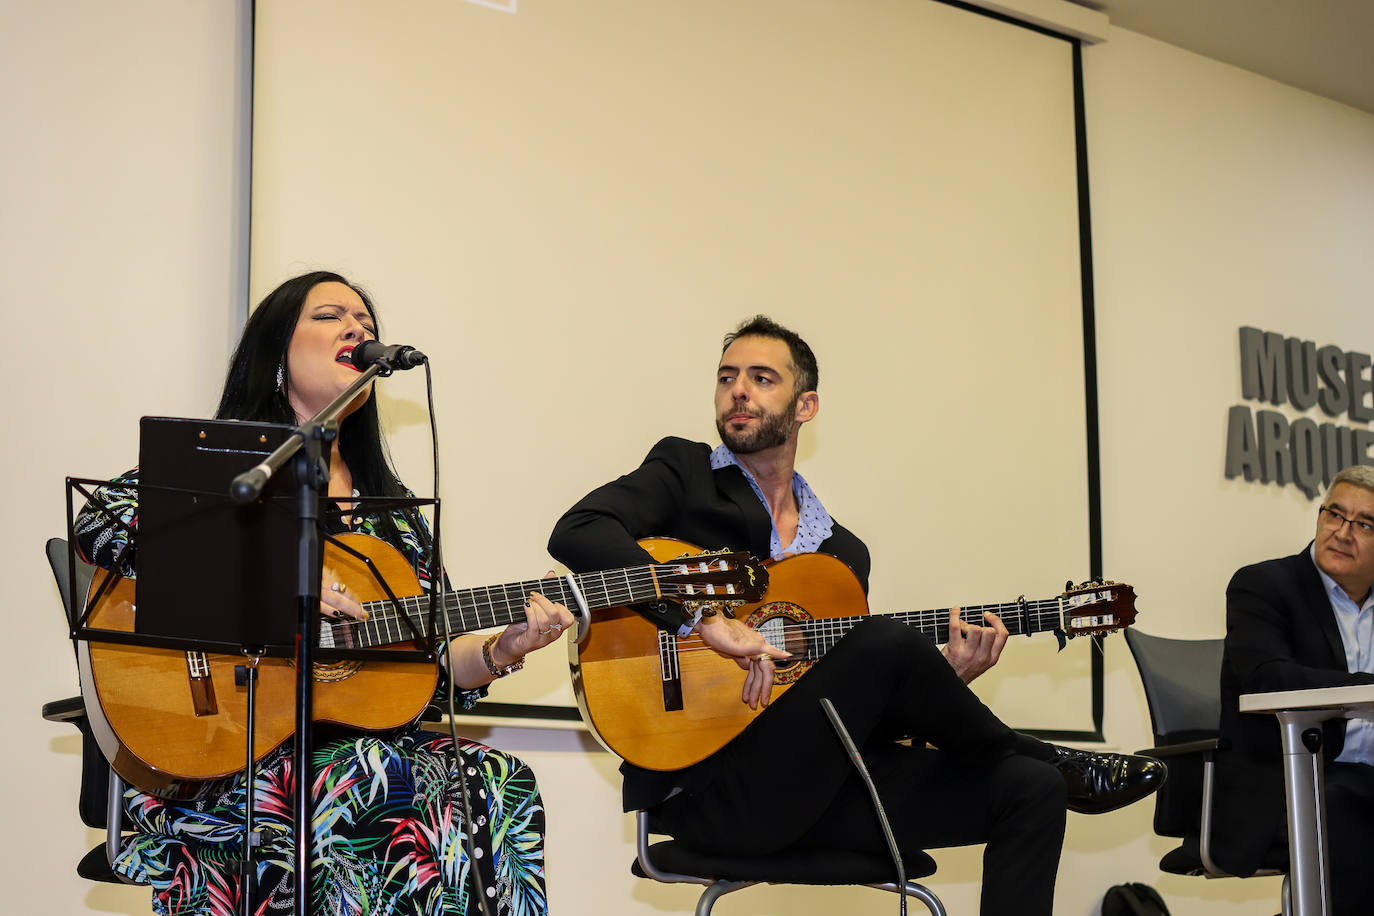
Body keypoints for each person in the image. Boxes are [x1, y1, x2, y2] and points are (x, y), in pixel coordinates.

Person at [547, 316, 1164, 916]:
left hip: (824, 794)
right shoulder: (685, 477)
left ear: (805, 407)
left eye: (762, 378)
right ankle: (1050, 755)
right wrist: (701, 619)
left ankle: (1048, 769)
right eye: (727, 376)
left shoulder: (841, 556)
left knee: (1029, 789)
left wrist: (940, 683)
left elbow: (859, 724)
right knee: (886, 642)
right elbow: (579, 531)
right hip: (718, 796)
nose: (738, 389)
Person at [75, 271, 572, 916]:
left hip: (350, 747)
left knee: (498, 781)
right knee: (368, 774)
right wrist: (281, 576)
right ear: (276, 350)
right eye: (331, 316)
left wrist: (504, 649)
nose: (357, 330)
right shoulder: (229, 472)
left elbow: (433, 666)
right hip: (223, 741)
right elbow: (103, 520)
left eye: (365, 324)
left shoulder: (390, 516)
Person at [1216, 464, 1374, 914]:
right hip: (1289, 781)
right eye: (1334, 515)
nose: (1343, 533)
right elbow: (1269, 677)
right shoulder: (1263, 586)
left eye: (1364, 524)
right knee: (1345, 808)